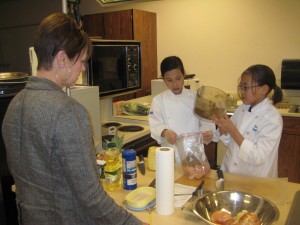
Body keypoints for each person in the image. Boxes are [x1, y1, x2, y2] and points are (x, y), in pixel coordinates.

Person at [2, 12, 148, 225]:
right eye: (81, 61)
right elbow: (93, 199)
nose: (82, 68)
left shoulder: (14, 105)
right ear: (62, 59)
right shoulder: (68, 112)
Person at [212, 64, 283, 178]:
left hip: (255, 179)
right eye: (241, 87)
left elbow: (258, 156)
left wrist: (232, 130)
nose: (242, 91)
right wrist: (223, 129)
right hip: (230, 173)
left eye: (246, 87)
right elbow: (231, 142)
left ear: (264, 89)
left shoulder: (272, 117)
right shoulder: (242, 109)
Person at [149, 56, 215, 162]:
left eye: (178, 78)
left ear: (184, 75)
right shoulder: (158, 101)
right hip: (170, 155)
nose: (175, 84)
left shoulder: (197, 98)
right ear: (163, 80)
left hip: (195, 154)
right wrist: (165, 133)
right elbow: (156, 125)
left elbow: (207, 123)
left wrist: (208, 133)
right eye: (169, 80)